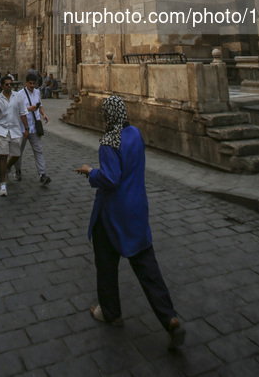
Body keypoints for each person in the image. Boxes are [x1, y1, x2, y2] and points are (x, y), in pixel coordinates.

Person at [75, 95, 185, 349]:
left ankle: (111, 312)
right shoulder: (135, 133)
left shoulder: (108, 142)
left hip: (113, 212)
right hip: (137, 209)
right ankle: (169, 318)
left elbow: (111, 179)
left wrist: (91, 172)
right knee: (147, 267)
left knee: (105, 262)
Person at [0, 75, 24, 196]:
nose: (9, 86)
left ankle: (7, 167)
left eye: (10, 84)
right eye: (7, 84)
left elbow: (23, 112)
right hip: (1, 130)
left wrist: (27, 128)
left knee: (16, 155)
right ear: (2, 86)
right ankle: (2, 184)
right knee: (3, 156)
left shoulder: (17, 97)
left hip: (15, 130)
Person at [14, 72, 50, 185]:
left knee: (38, 150)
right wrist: (29, 109)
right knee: (18, 152)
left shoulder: (37, 92)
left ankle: (42, 174)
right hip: (23, 129)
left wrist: (44, 114)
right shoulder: (19, 94)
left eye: (34, 83)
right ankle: (17, 170)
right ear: (26, 83)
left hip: (34, 127)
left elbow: (40, 105)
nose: (32, 86)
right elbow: (17, 111)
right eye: (30, 83)